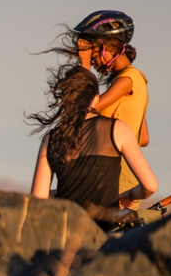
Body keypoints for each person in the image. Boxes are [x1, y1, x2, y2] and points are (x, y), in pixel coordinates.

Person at [28, 63, 158, 228]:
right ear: (96, 98)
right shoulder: (118, 129)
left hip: (65, 233)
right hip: (105, 235)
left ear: (64, 100)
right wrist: (131, 195)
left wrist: (65, 195)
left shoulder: (51, 138)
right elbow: (150, 186)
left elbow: (38, 200)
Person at [71, 10, 149, 200]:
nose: (92, 61)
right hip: (119, 174)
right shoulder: (132, 80)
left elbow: (87, 109)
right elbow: (143, 138)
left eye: (93, 54)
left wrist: (84, 65)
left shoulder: (128, 79)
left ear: (107, 47)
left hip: (115, 176)